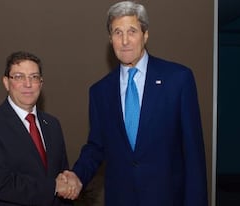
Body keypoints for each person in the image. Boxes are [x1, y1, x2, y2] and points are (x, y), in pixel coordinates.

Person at [60, 1, 208, 205]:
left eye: (132, 31)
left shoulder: (178, 80)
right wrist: (76, 176)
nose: (125, 41)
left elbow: (193, 155)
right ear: (110, 39)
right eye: (117, 32)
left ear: (145, 35)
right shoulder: (99, 92)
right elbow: (96, 147)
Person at [0, 51, 73, 206]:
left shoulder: (52, 125)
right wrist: (53, 187)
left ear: (41, 83)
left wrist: (69, 182)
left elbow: (61, 176)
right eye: (19, 77)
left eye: (34, 77)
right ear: (6, 82)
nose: (28, 84)